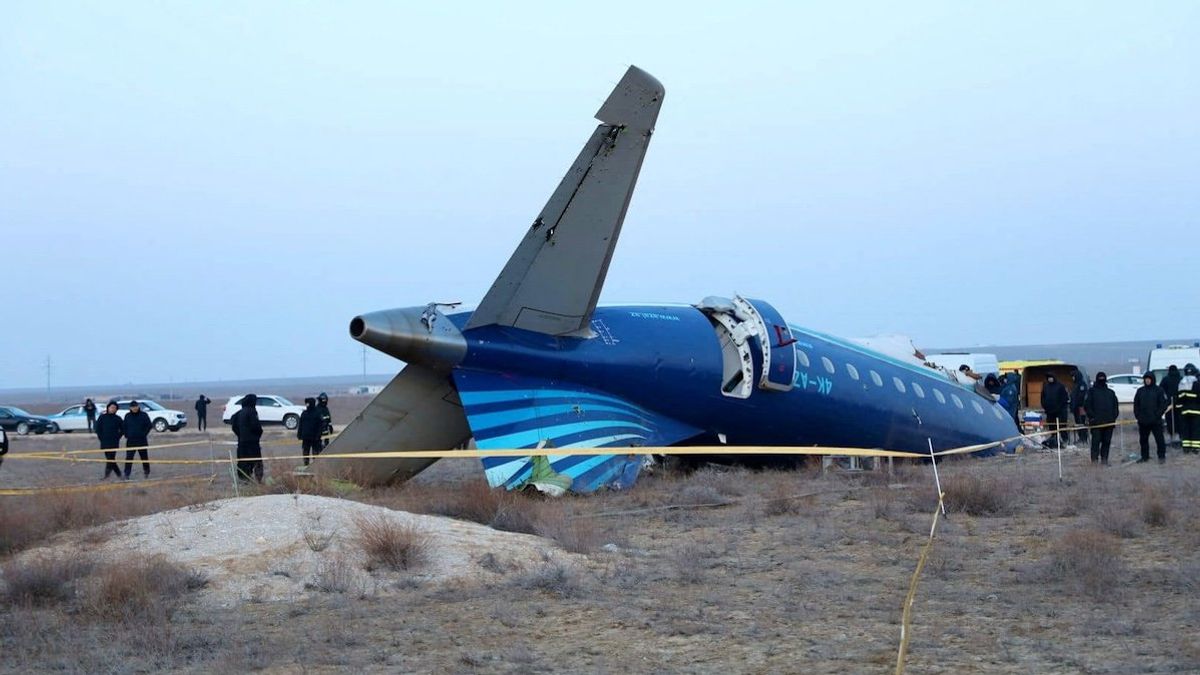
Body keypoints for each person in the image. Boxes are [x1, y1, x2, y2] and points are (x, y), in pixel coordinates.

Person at [1084, 372, 1119, 465]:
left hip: (1109, 423)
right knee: (1095, 442)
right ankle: (1094, 461)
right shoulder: (1091, 392)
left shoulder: (1111, 393)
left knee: (1106, 442)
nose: (1102, 380)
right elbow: (1087, 406)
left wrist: (1113, 418)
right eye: (1100, 378)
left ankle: (1104, 460)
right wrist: (1093, 417)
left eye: (1103, 378)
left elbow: (1115, 407)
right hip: (1096, 423)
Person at [1133, 372, 1169, 463]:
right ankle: (1144, 457)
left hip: (1155, 421)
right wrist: (1138, 416)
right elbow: (1136, 404)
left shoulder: (1159, 390)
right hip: (1143, 421)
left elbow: (1164, 404)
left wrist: (1157, 415)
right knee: (1143, 440)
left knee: (1159, 439)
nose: (1147, 380)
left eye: (1149, 379)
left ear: (1152, 379)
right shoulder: (1140, 391)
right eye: (1146, 379)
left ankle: (1161, 457)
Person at [231, 394, 264, 482]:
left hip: (242, 442)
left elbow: (234, 426)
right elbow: (256, 426)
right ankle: (258, 480)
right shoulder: (252, 412)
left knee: (243, 462)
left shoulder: (238, 413)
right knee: (257, 462)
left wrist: (240, 435)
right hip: (252, 443)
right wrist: (257, 435)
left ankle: (244, 479)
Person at [123, 400, 153, 479]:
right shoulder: (127, 416)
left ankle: (146, 471)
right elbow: (124, 426)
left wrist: (144, 434)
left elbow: (149, 425)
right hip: (131, 441)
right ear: (130, 408)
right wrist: (126, 434)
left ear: (138, 406)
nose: (134, 408)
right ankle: (127, 474)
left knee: (144, 457)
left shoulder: (144, 415)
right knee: (129, 458)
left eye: (136, 406)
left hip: (141, 440)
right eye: (133, 407)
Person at [94, 400, 124, 479]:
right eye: (111, 407)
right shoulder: (102, 417)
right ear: (108, 408)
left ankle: (109, 475)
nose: (113, 409)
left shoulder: (118, 418)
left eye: (115, 408)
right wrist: (101, 437)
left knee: (111, 458)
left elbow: (123, 429)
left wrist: (118, 436)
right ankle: (118, 474)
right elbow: (97, 429)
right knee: (110, 459)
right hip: (104, 441)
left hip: (114, 442)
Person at [1040, 373, 1070, 449]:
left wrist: (1059, 408)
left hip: (1060, 412)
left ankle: (1065, 440)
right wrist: (1045, 406)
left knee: (1061, 426)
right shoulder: (1046, 387)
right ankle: (1054, 440)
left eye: (1051, 377)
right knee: (1052, 427)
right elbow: (1042, 397)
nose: (1050, 379)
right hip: (1049, 411)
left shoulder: (1060, 386)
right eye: (1048, 377)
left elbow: (1064, 399)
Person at [298, 397, 323, 466]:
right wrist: (299, 434)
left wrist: (318, 435)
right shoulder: (304, 413)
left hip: (315, 438)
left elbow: (320, 426)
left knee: (315, 452)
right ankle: (306, 464)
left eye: (308, 403)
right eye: (306, 403)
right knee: (305, 452)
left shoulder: (317, 413)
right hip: (306, 437)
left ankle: (315, 465)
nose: (307, 405)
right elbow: (301, 425)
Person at [1161, 365, 1182, 442]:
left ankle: (1170, 435)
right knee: (1179, 419)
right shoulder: (1180, 379)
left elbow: (1161, 390)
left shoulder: (1165, 379)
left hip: (1169, 403)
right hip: (1179, 403)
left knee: (1169, 419)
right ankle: (1178, 435)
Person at [1178, 379, 1199, 455]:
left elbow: (1179, 398)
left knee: (1186, 430)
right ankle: (1195, 448)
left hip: (1185, 411)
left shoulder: (1182, 384)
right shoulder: (1197, 384)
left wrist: (1179, 408)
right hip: (1196, 412)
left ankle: (1186, 448)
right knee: (1195, 430)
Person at [1069, 369, 1090, 445]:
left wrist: (1078, 405)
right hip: (1076, 408)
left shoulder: (1082, 385)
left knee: (1082, 423)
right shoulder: (1076, 385)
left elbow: (1081, 397)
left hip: (1081, 408)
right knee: (1078, 424)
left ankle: (1083, 438)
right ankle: (1081, 437)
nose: (1073, 378)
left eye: (1073, 376)